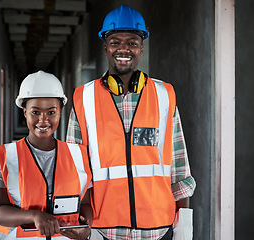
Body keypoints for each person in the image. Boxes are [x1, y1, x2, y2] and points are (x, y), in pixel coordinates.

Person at [66, 5, 196, 240]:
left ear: (141, 49)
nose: (123, 48)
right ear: (105, 47)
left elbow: (179, 166)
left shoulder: (163, 96)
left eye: (132, 42)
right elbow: (74, 172)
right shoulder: (83, 98)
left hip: (157, 228)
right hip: (103, 229)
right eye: (115, 41)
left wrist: (183, 230)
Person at [0, 70, 93, 240]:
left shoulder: (79, 155)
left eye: (51, 112)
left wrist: (86, 227)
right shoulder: (3, 157)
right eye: (35, 112)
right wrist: (34, 216)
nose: (43, 120)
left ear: (60, 112)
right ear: (24, 112)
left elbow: (85, 203)